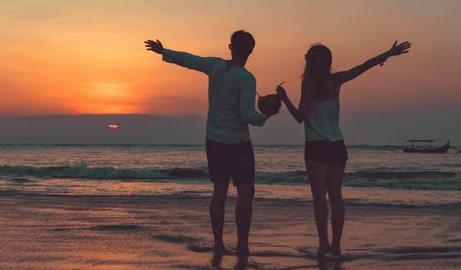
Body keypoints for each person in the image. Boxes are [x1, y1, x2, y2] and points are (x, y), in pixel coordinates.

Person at [145, 31, 279, 256]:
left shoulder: (216, 66)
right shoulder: (247, 78)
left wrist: (163, 51)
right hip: (237, 143)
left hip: (214, 141)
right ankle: (242, 245)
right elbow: (248, 115)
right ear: (251, 51)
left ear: (230, 47)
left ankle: (219, 244)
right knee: (245, 194)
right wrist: (267, 115)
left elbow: (189, 60)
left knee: (220, 192)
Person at [276, 40, 411, 257]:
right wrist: (388, 53)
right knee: (336, 195)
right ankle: (336, 245)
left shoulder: (308, 83)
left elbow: (300, 117)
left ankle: (323, 243)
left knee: (319, 197)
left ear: (309, 62)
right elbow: (364, 66)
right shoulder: (336, 81)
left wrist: (284, 99)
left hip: (316, 145)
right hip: (337, 144)